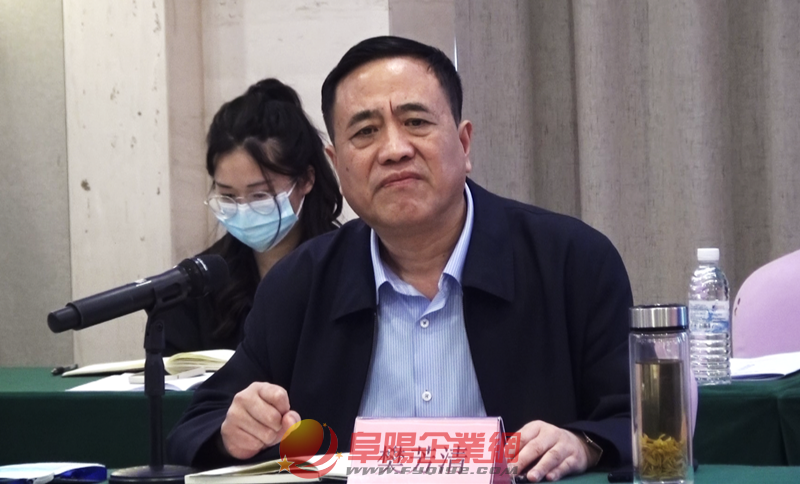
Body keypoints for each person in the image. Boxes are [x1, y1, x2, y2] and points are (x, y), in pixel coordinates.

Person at [167, 37, 632, 482]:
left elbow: (637, 417)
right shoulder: (300, 284)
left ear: (464, 143)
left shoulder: (571, 262)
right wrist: (235, 431)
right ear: (336, 163)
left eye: (416, 122)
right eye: (365, 132)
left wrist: (583, 442)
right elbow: (200, 424)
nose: (394, 150)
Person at [161, 78, 342, 356]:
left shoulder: (347, 268)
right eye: (228, 196)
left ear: (306, 179)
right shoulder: (197, 288)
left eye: (260, 195)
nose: (243, 209)